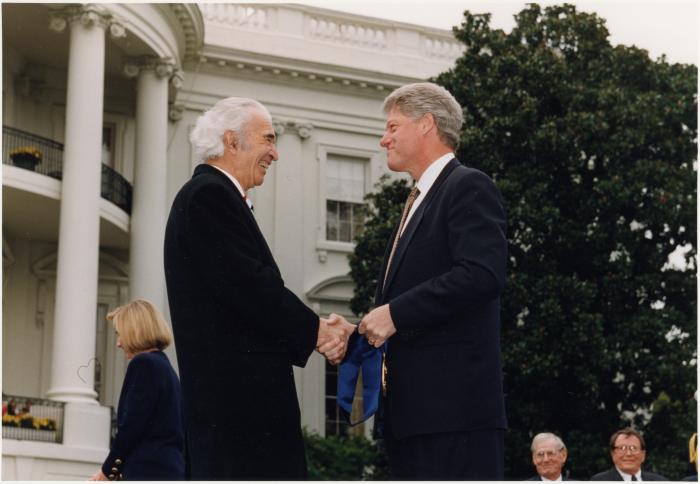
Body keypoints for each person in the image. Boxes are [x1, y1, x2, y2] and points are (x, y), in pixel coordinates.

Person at [164, 97, 355, 479]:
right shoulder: (209, 196)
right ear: (232, 141)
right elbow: (250, 286)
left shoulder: (212, 197)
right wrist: (317, 330)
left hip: (235, 415)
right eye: (268, 139)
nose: (275, 153)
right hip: (238, 416)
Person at [358, 82, 508, 479]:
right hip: (414, 417)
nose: (383, 138)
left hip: (454, 418)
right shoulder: (417, 199)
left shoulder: (467, 185)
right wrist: (361, 328)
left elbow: (481, 274)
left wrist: (393, 314)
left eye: (392, 127)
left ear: (426, 124)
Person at [89, 299, 184, 481]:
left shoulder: (143, 364)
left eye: (120, 334)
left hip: (147, 472)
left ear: (135, 331)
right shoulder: (167, 369)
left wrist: (107, 471)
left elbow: (131, 427)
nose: (118, 343)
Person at [590, 428, 667, 481]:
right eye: (622, 448)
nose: (628, 454)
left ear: (643, 455)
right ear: (613, 454)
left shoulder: (661, 481)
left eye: (634, 448)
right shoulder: (599, 481)